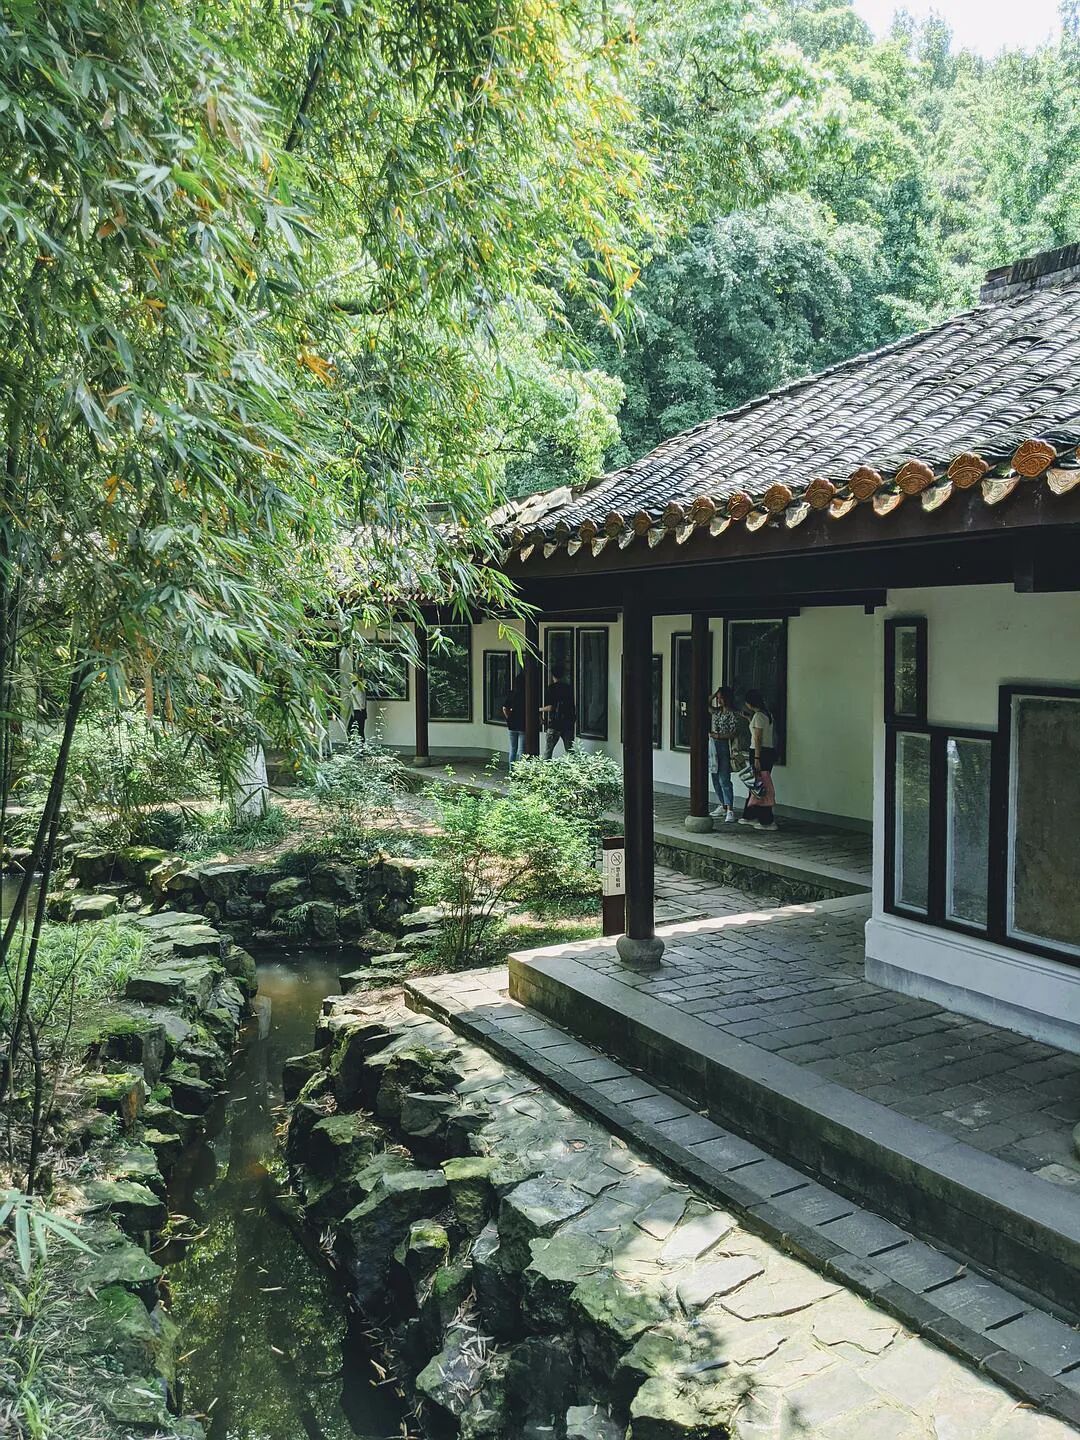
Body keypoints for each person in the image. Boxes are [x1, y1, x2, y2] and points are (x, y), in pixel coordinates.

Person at [739, 689, 777, 830]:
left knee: (760, 786)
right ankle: (750, 815)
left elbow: (758, 737)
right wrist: (749, 719)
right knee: (756, 785)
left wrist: (757, 757)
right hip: (767, 751)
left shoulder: (759, 716)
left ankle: (767, 820)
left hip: (760, 752)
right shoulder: (766, 714)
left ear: (750, 703)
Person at [708, 685, 739, 823]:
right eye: (718, 698)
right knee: (714, 777)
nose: (719, 700)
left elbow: (734, 733)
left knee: (724, 779)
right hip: (713, 746)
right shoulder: (717, 712)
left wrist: (718, 736)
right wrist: (715, 694)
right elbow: (706, 704)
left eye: (721, 698)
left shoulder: (732, 713)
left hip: (724, 746)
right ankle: (723, 805)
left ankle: (730, 809)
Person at [542, 666, 576, 758]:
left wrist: (539, 709)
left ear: (552, 676)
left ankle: (545, 767)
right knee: (570, 751)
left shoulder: (551, 688)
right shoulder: (568, 688)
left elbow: (550, 707)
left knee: (548, 751)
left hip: (555, 723)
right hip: (568, 723)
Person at [502, 672, 526, 768]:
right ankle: (521, 771)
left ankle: (511, 771)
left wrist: (509, 718)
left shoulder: (512, 694)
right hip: (523, 724)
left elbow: (504, 708)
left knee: (513, 749)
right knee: (522, 750)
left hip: (512, 724)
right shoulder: (527, 694)